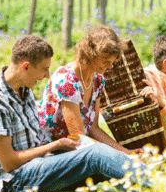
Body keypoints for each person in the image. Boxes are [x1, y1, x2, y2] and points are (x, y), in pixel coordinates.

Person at [0, 35, 147, 192]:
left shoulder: (24, 89)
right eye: (44, 69)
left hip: (41, 163)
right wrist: (56, 145)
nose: (48, 75)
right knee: (96, 155)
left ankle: (148, 190)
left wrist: (124, 154)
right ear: (25, 67)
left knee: (106, 167)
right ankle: (159, 183)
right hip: (17, 179)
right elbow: (9, 163)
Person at [38, 26, 140, 154]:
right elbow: (79, 137)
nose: (110, 66)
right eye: (105, 61)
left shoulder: (97, 80)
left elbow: (94, 129)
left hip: (78, 149)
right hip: (51, 152)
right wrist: (121, 155)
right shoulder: (66, 80)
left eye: (112, 62)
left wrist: (126, 152)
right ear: (91, 54)